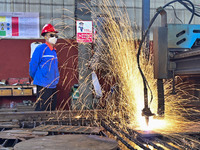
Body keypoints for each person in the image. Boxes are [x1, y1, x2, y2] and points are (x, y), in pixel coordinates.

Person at [29, 24, 60, 111]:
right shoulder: (40, 48)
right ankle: (39, 124)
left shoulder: (54, 51)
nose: (54, 37)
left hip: (53, 85)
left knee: (51, 108)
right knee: (42, 109)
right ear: (45, 36)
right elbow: (33, 65)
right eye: (52, 35)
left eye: (55, 35)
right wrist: (36, 78)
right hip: (43, 85)